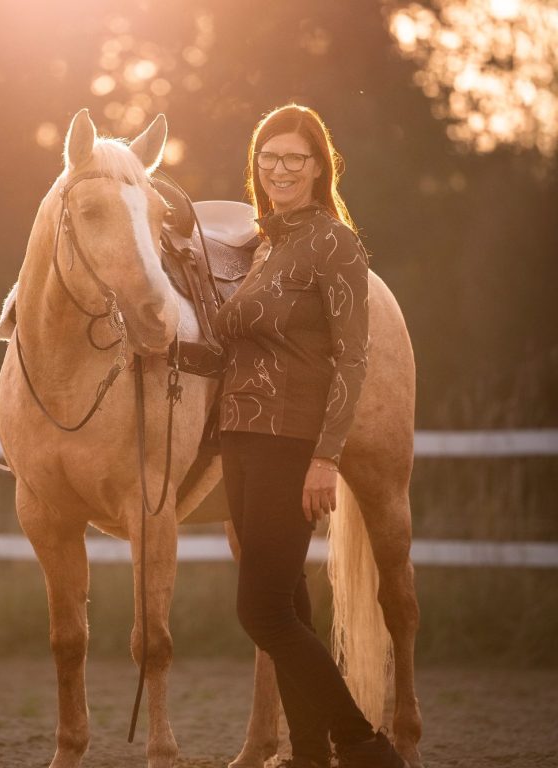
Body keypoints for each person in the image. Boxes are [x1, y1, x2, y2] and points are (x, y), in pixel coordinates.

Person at [214, 104, 407, 768]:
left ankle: (361, 744)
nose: (280, 169)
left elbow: (352, 358)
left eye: (295, 158)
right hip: (238, 438)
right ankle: (308, 757)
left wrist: (325, 456)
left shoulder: (333, 242)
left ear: (320, 167)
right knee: (288, 596)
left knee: (262, 611)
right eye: (269, 158)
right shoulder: (266, 245)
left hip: (289, 442)